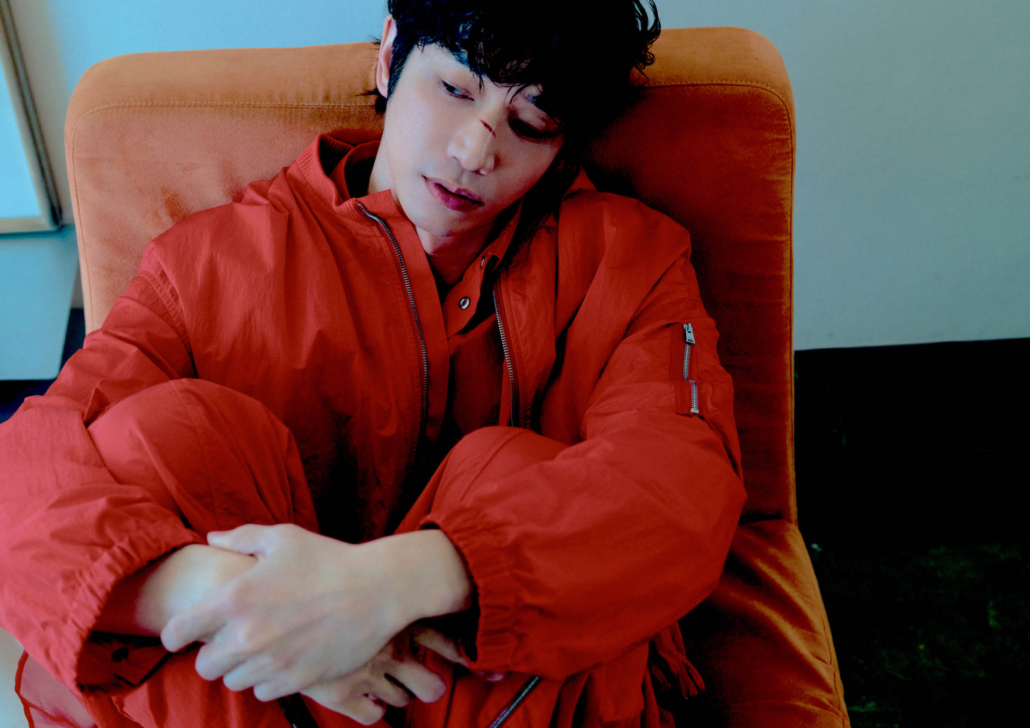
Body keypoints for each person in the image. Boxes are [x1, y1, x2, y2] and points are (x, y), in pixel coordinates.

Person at [0, 1, 746, 727]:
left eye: (530, 124)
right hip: (248, 696)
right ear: (390, 54)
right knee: (161, 438)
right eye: (454, 89)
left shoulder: (631, 258)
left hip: (497, 682)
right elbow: (25, 473)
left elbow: (682, 481)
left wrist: (400, 583)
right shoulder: (204, 264)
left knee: (511, 472)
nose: (474, 152)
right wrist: (242, 599)